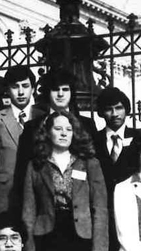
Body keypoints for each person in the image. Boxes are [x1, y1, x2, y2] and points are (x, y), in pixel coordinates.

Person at [21, 110, 108, 251]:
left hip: (81, 236)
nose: (63, 133)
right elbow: (28, 211)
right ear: (48, 132)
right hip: (47, 236)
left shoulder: (89, 163)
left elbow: (100, 208)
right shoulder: (36, 165)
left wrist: (99, 250)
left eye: (68, 129)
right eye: (58, 128)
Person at [14, 69, 96, 203]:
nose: (60, 94)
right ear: (47, 93)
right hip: (43, 205)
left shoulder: (87, 125)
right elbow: (21, 174)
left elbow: (96, 172)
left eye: (65, 89)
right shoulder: (31, 128)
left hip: (81, 205)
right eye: (55, 89)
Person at [0, 65, 41, 214]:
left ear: (33, 88)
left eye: (25, 86)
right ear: (7, 89)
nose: (20, 92)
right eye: (15, 87)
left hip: (37, 189)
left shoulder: (42, 116)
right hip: (6, 191)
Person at [92, 86, 139, 192]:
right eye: (108, 109)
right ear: (101, 112)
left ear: (126, 109)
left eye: (119, 108)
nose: (114, 114)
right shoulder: (93, 140)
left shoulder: (138, 138)